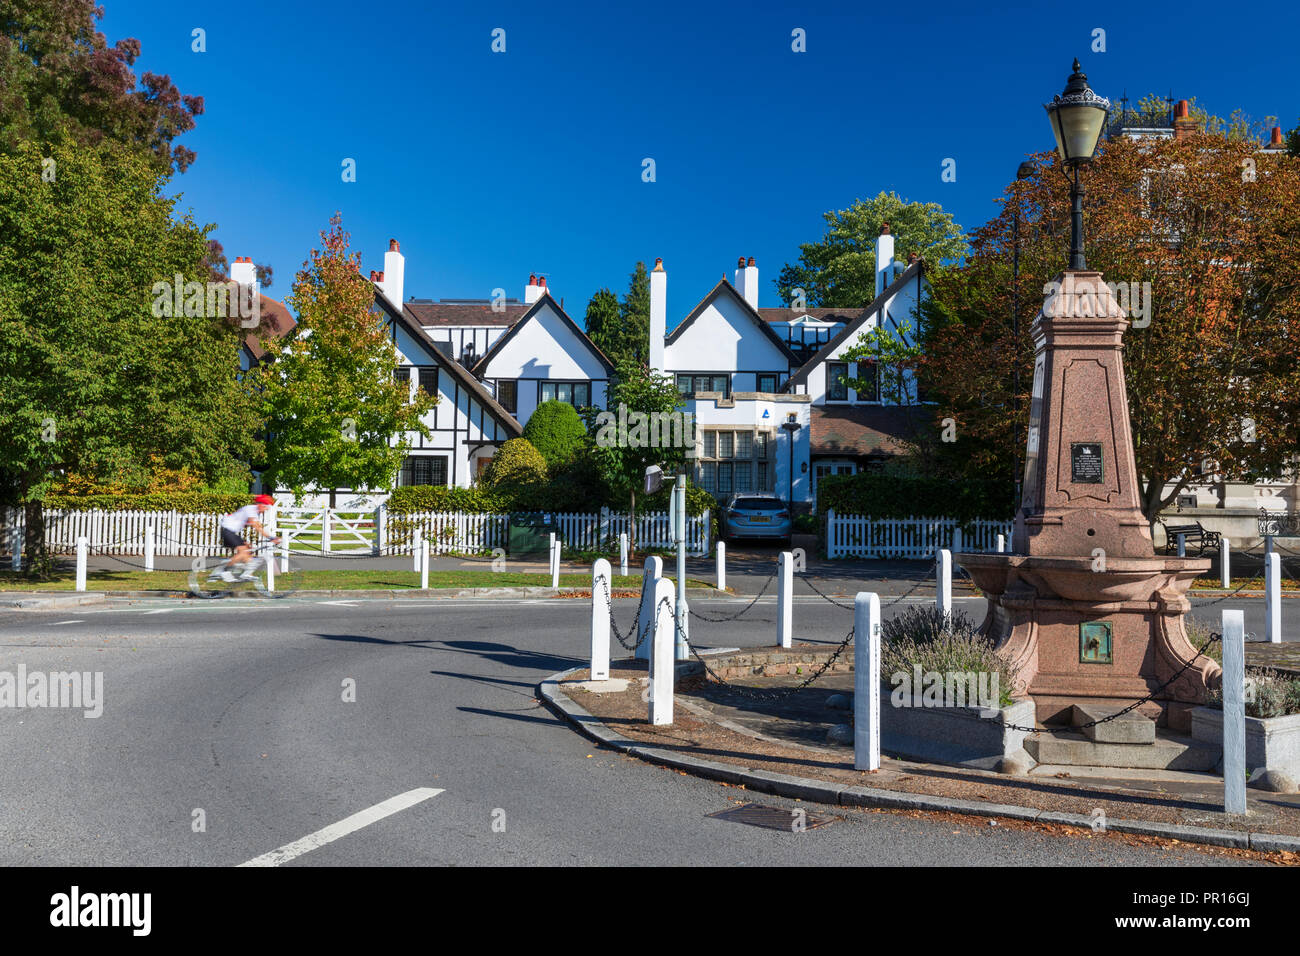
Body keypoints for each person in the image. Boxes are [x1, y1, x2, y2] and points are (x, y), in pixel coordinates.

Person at [219, 494, 281, 582]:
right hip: (227, 531)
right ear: (260, 504)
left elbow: (256, 525)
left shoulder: (255, 512)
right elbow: (257, 527)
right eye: (265, 506)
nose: (266, 509)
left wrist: (244, 541)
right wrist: (271, 537)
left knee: (248, 550)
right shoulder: (251, 509)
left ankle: (247, 574)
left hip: (231, 531)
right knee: (243, 551)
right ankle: (225, 571)